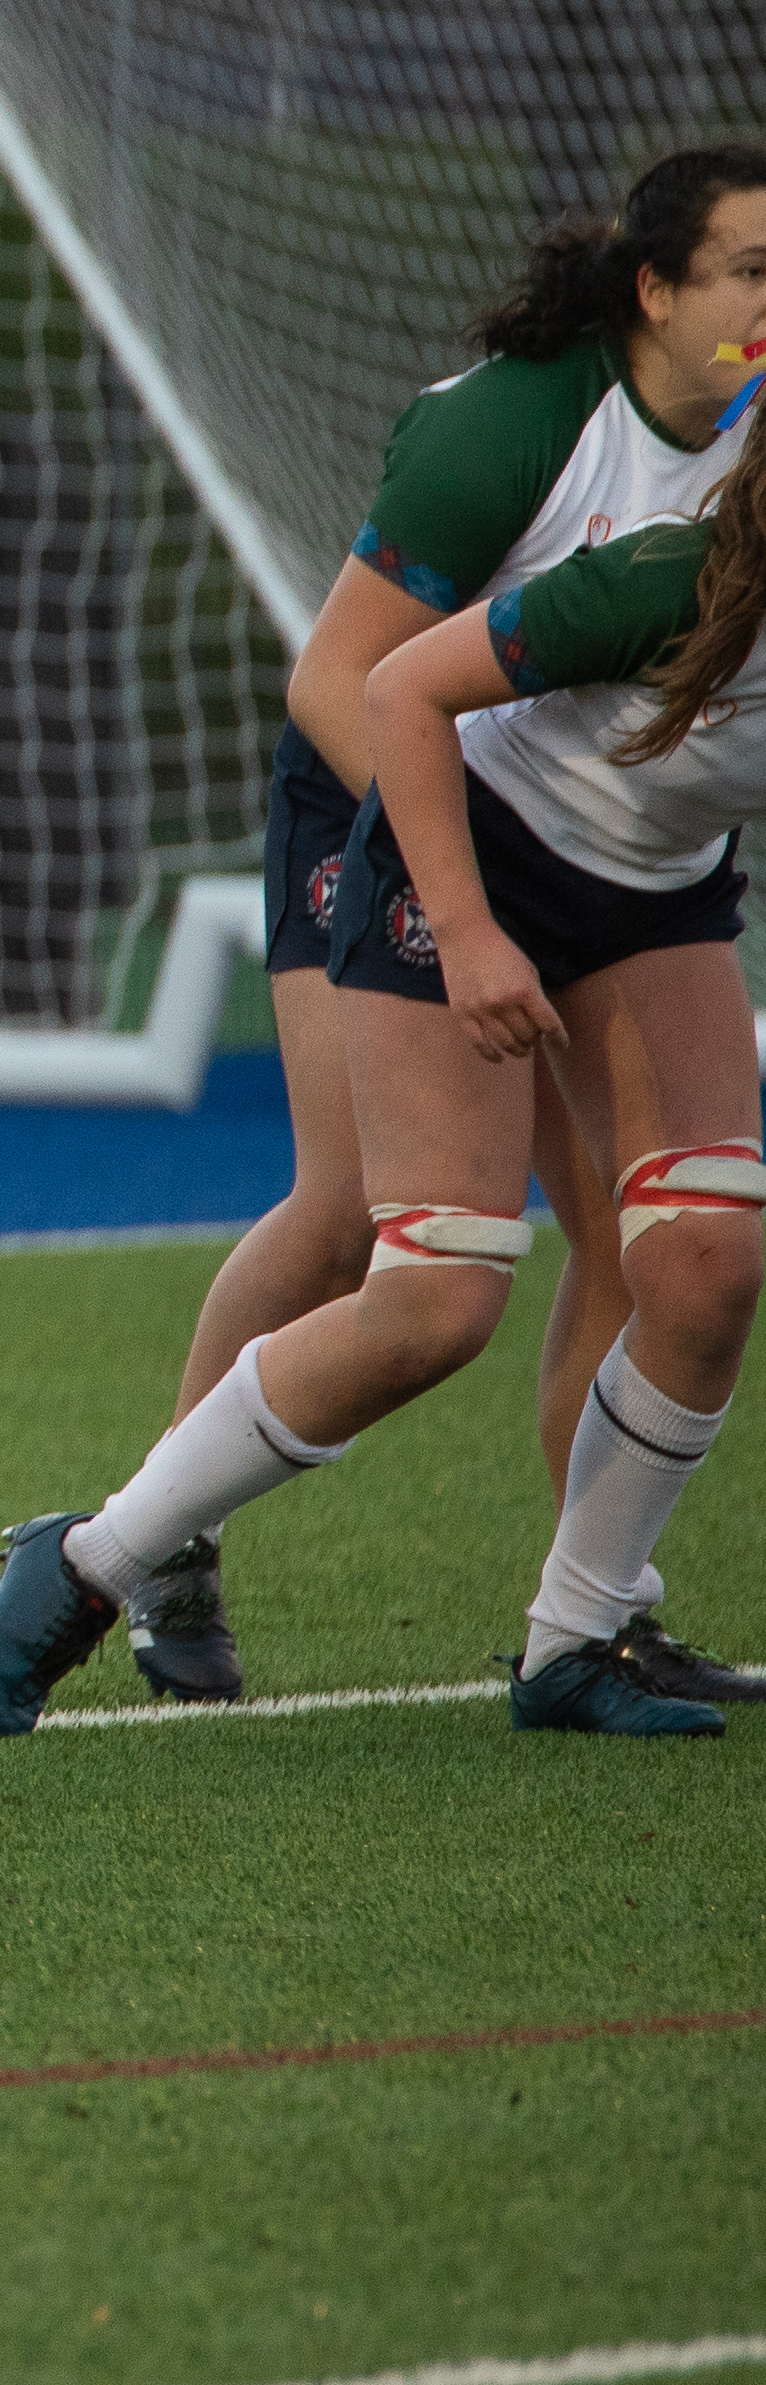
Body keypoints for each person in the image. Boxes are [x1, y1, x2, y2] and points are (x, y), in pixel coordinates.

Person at [0, 455, 766, 1741]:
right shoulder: (665, 574)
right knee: (440, 1290)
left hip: (653, 895)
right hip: (467, 847)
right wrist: (467, 928)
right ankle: (94, 1561)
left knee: (711, 1260)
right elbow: (396, 685)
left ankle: (577, 1637)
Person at [125, 146, 766, 1709]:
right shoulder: (512, 430)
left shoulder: (752, 440)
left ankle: (593, 1608)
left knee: (653, 1238)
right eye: (752, 268)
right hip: (378, 795)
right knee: (363, 1218)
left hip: (602, 865)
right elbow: (342, 683)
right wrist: (469, 908)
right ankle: (156, 1541)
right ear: (654, 289)